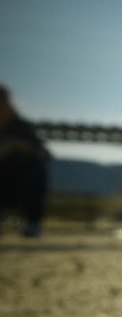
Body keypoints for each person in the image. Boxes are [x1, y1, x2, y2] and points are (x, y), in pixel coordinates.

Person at [0, 85, 50, 237]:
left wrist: (24, 147)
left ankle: (33, 222)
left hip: (17, 185)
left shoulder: (21, 127)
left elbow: (46, 155)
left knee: (35, 166)